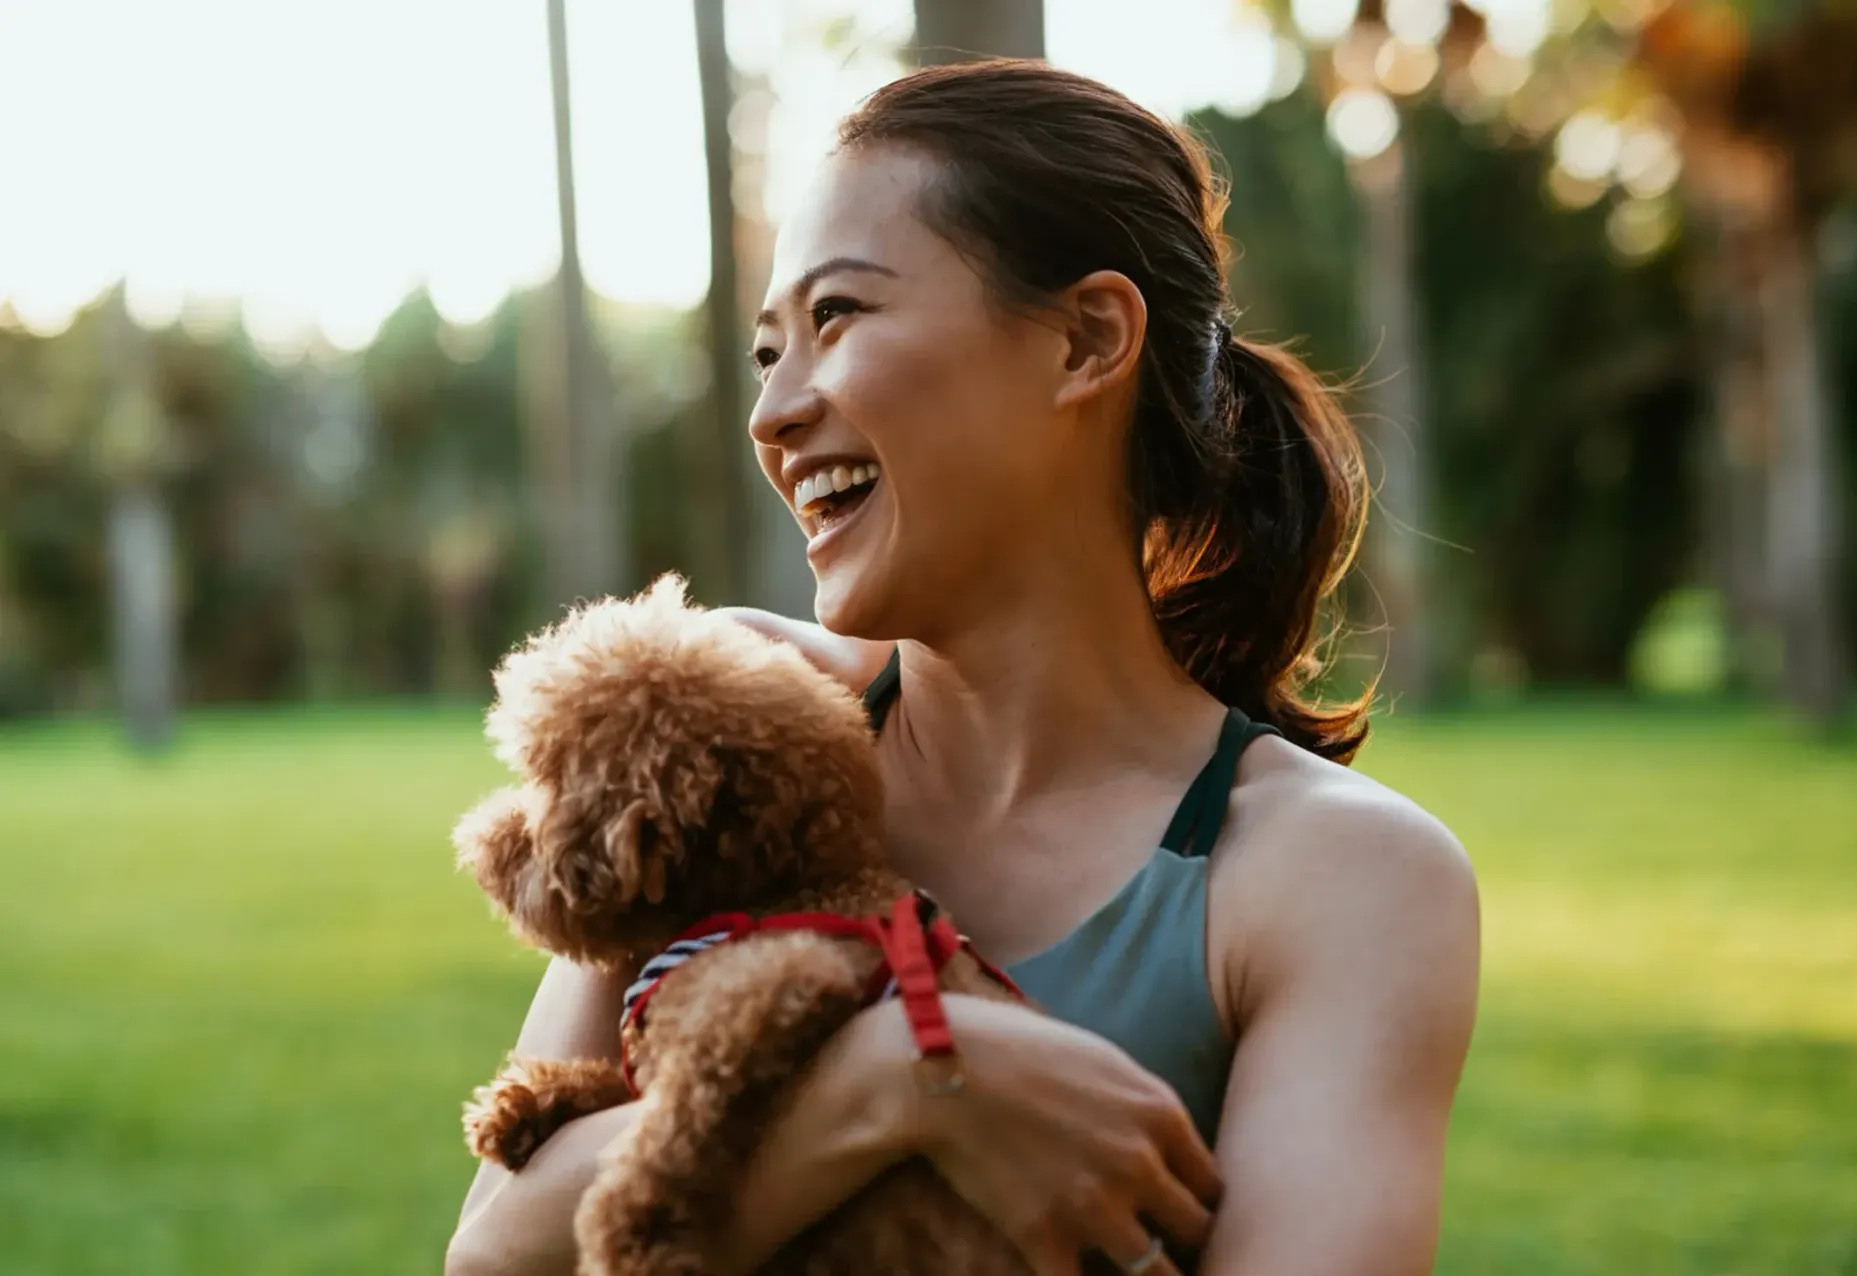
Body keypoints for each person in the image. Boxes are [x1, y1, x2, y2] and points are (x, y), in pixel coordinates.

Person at [446, 58, 1478, 1276]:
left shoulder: (1341, 878)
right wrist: (897, 1080)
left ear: (1085, 340)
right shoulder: (731, 721)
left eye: (838, 317)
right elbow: (492, 1254)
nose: (772, 413)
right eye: (768, 351)